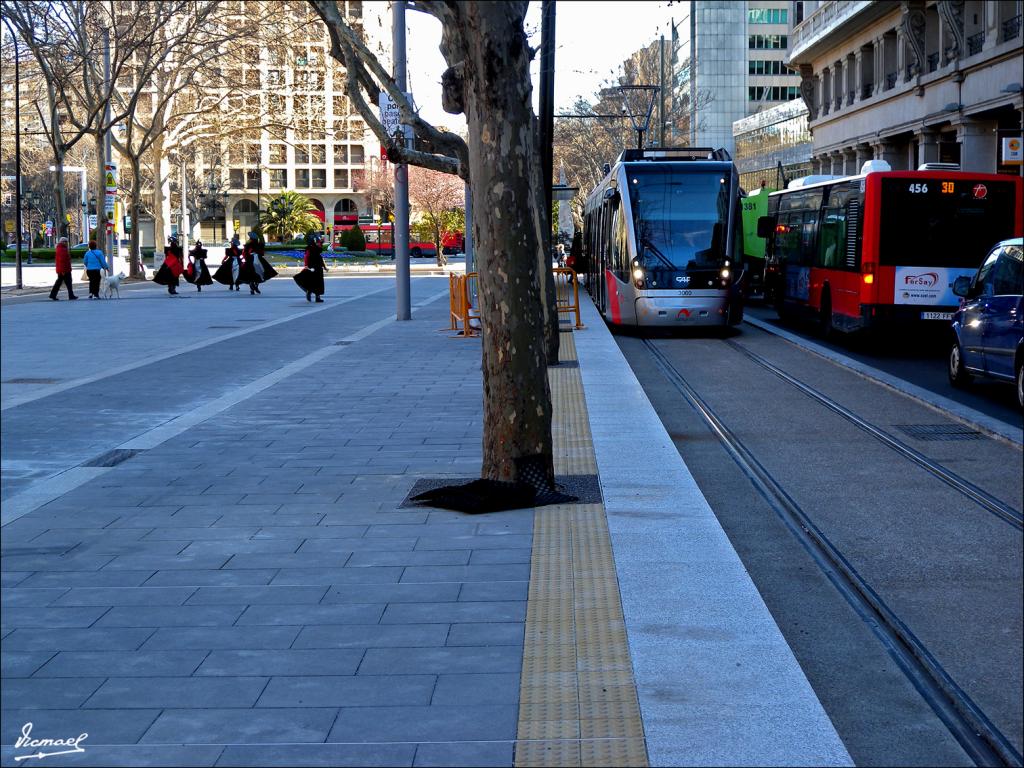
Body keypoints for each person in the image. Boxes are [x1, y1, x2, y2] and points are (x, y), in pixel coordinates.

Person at [293, 232, 326, 302]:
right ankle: (311, 293)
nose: (318, 242)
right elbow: (307, 257)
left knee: (316, 282)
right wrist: (306, 266)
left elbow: (319, 257)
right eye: (317, 241)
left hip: (316, 267)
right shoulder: (311, 248)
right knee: (315, 282)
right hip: (313, 267)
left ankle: (316, 296)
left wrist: (324, 267)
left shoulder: (314, 248)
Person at [49, 236, 78, 301]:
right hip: (64, 269)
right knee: (64, 282)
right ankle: (54, 295)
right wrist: (63, 270)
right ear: (63, 242)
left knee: (63, 282)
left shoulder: (61, 248)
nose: (67, 243)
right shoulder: (62, 249)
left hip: (63, 269)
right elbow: (62, 260)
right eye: (66, 242)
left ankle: (69, 295)